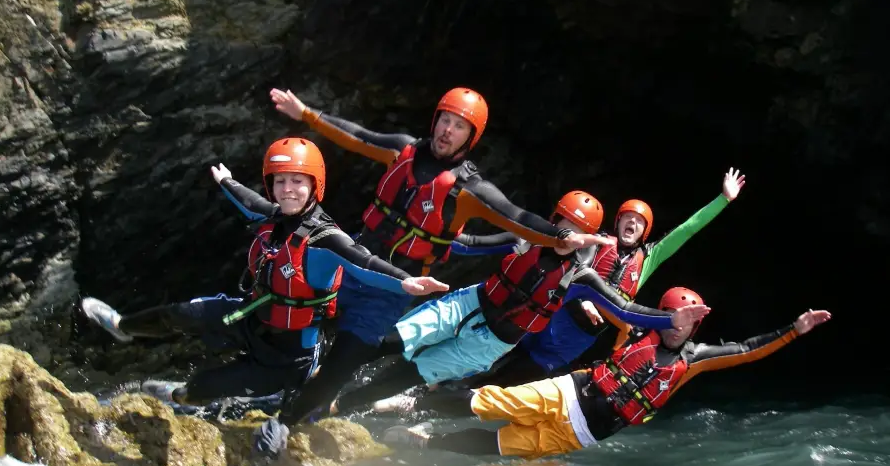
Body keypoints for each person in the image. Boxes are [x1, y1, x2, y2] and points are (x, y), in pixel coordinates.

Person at [268, 87, 607, 423]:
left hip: (391, 288)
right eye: (445, 120)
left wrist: (559, 236)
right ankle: (275, 389)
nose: (447, 130)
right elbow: (359, 136)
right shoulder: (404, 149)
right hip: (351, 260)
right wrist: (307, 115)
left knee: (345, 361)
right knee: (292, 321)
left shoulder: (468, 189)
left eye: (459, 126)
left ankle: (294, 419)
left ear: (471, 137)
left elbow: (515, 216)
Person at [80, 137, 449, 434]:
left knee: (203, 386)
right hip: (250, 316)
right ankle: (123, 327)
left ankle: (184, 397)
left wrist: (407, 282)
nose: (287, 189)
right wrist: (227, 181)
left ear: (314, 185)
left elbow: (365, 262)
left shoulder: (327, 238)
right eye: (280, 181)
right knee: (182, 313)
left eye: (297, 181)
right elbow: (248, 201)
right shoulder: (272, 216)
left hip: (287, 356)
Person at [324, 194, 712, 416]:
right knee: (392, 340)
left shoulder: (589, 275)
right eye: (563, 224)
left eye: (578, 231)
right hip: (480, 306)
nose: (569, 235)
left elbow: (627, 310)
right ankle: (321, 386)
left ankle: (375, 406)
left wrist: (669, 318)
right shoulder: (530, 239)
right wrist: (430, 231)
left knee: (452, 377)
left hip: (521, 339)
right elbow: (470, 245)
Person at [378, 287, 831, 461]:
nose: (688, 323)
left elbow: (748, 351)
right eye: (682, 314)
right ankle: (408, 401)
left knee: (500, 446)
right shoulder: (635, 329)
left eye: (694, 318)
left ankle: (425, 440)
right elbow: (594, 294)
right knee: (489, 401)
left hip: (585, 433)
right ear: (665, 314)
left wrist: (794, 330)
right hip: (568, 393)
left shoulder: (694, 359)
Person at [456, 167, 748, 389]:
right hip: (549, 315)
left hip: (574, 339)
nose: (632, 223)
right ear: (617, 221)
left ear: (645, 231)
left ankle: (448, 407)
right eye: (627, 218)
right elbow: (560, 260)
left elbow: (688, 229)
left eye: (639, 221)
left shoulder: (648, 259)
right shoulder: (594, 241)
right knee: (486, 354)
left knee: (504, 382)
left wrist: (723, 199)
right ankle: (437, 385)